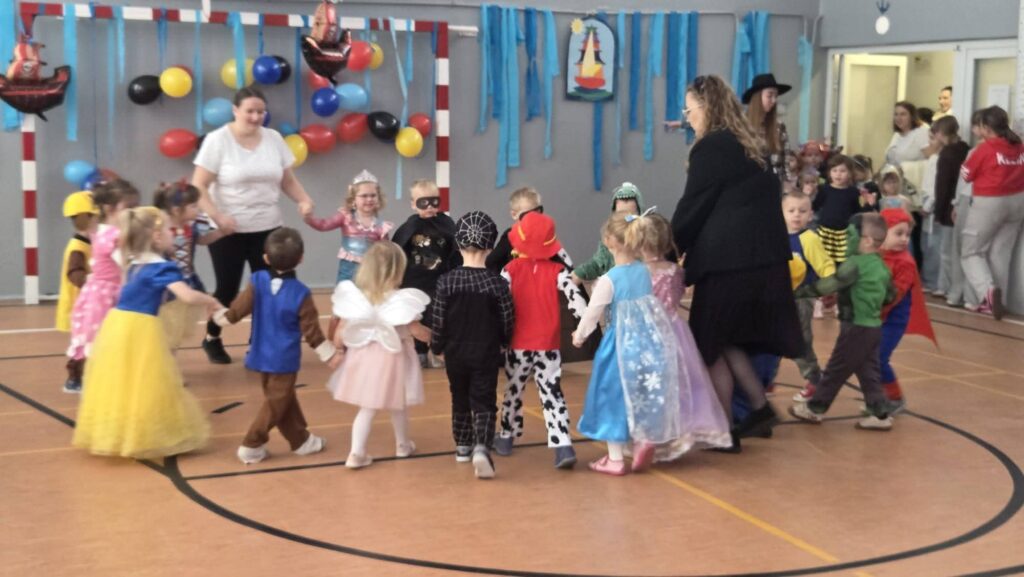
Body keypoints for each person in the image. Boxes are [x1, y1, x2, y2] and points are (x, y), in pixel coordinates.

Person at [670, 75, 802, 449]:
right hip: (762, 259)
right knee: (724, 338)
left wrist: (664, 251)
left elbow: (694, 205)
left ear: (706, 107)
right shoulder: (747, 142)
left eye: (689, 109)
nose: (687, 117)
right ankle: (758, 408)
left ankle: (725, 430)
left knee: (708, 344)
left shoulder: (712, 146)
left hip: (730, 262)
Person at [72, 207, 220, 458]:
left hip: (118, 324)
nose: (174, 235)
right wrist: (211, 300)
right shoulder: (162, 267)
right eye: (170, 231)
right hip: (141, 329)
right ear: (157, 237)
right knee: (148, 381)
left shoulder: (133, 262)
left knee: (125, 381)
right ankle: (144, 436)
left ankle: (120, 433)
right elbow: (186, 295)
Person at [192, 87, 316, 365]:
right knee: (227, 288)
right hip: (228, 229)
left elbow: (287, 180)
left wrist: (303, 199)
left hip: (268, 228)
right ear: (235, 111)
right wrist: (217, 216)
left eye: (261, 111)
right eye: (250, 111)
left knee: (272, 287)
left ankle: (259, 341)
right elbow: (198, 185)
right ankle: (212, 337)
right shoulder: (218, 140)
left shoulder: (273, 139)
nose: (256, 117)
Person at [213, 227, 338, 465]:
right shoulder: (300, 293)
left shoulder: (257, 280)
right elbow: (311, 331)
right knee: (276, 402)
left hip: (260, 355)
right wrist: (329, 354)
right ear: (301, 259)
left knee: (283, 398)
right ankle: (252, 443)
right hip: (284, 359)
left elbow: (238, 310)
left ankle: (301, 440)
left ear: (266, 258)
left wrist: (221, 317)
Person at [573, 213, 684, 475]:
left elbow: (593, 313)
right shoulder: (644, 272)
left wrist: (579, 335)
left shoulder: (609, 280)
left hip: (619, 346)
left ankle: (614, 459)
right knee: (639, 394)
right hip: (646, 344)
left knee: (611, 397)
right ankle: (642, 440)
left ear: (609, 241)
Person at [327, 242, 431, 470]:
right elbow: (418, 332)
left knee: (367, 407)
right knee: (398, 404)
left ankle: (359, 452)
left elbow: (341, 331)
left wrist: (339, 350)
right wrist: (434, 338)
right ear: (398, 270)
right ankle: (400, 445)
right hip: (393, 360)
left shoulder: (358, 299)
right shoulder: (401, 301)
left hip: (364, 359)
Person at [496, 211, 587, 469]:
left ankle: (506, 436)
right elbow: (576, 298)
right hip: (548, 345)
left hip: (518, 344)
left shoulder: (510, 270)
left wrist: (496, 333)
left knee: (513, 391)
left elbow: (498, 302)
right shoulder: (558, 271)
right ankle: (562, 444)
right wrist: (583, 326)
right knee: (552, 393)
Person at [789, 213, 896, 431]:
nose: (846, 240)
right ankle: (880, 413)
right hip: (873, 327)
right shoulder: (881, 266)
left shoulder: (854, 264)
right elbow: (890, 296)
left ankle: (816, 408)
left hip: (855, 328)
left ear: (867, 240)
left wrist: (798, 293)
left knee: (836, 369)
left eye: (850, 235)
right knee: (869, 371)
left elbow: (829, 284)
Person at [639, 212, 732, 457]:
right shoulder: (675, 271)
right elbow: (678, 293)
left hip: (649, 333)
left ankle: (654, 434)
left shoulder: (639, 273)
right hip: (675, 332)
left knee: (652, 383)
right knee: (683, 382)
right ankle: (680, 429)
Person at [431, 211, 514, 479]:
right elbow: (507, 318)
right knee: (484, 400)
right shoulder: (497, 283)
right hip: (486, 352)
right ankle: (482, 446)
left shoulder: (446, 282)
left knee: (459, 397)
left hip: (455, 352)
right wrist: (504, 342)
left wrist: (436, 347)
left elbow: (438, 319)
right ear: (490, 246)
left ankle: (462, 446)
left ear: (458, 244)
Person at [64, 180, 139, 393]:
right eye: (129, 207)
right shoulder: (111, 235)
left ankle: (105, 376)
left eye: (135, 207)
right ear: (109, 208)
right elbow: (125, 263)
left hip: (107, 291)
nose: (133, 213)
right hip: (104, 295)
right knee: (98, 336)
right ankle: (84, 377)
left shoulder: (105, 231)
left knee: (108, 336)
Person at [959, 105, 1024, 320]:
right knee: (1000, 253)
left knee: (970, 252)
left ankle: (986, 294)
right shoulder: (1019, 146)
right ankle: (998, 301)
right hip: (1018, 201)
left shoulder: (985, 149)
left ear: (986, 127)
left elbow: (966, 174)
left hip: (990, 201)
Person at [391, 179, 460, 367]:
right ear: (413, 204)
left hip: (439, 280)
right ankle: (420, 351)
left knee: (439, 317)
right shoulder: (409, 227)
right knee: (417, 316)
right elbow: (397, 250)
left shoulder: (446, 224)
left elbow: (456, 250)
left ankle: (437, 350)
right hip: (414, 281)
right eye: (423, 202)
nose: (429, 206)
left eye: (434, 201)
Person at [877, 208, 937, 414]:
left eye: (907, 234)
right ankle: (877, 397)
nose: (904, 239)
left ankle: (895, 398)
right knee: (868, 359)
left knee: (878, 358)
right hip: (876, 318)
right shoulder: (875, 256)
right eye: (898, 233)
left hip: (892, 321)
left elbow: (894, 295)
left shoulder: (905, 262)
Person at [153, 181, 225, 350]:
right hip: (167, 284)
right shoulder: (161, 227)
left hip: (187, 279)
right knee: (165, 327)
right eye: (193, 206)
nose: (197, 209)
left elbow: (202, 240)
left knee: (177, 330)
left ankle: (171, 357)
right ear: (176, 210)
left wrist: (221, 232)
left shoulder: (195, 224)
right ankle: (163, 357)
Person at [302, 169, 393, 283]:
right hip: (348, 269)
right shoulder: (346, 217)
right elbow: (324, 225)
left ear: (378, 198)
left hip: (371, 269)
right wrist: (309, 218)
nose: (369, 199)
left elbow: (385, 251)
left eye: (373, 195)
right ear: (353, 199)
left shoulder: (381, 226)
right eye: (364, 196)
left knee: (368, 293)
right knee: (346, 291)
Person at [571, 183, 644, 285]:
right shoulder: (610, 238)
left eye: (630, 216)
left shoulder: (646, 240)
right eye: (620, 215)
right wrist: (580, 273)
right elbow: (598, 263)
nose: (625, 221)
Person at [931, 116, 971, 300]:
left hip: (948, 207)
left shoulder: (946, 154)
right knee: (959, 250)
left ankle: (946, 287)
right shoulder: (966, 149)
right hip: (964, 203)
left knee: (946, 250)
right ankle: (958, 288)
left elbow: (943, 185)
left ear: (941, 133)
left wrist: (938, 211)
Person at [814, 154, 872, 263]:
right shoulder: (824, 189)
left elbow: (858, 213)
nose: (838, 174)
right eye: (834, 170)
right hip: (825, 233)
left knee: (842, 261)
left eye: (842, 171)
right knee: (823, 260)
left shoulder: (853, 192)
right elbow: (814, 206)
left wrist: (868, 205)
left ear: (850, 173)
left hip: (843, 235)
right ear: (829, 172)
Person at [56, 191, 98, 334]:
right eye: (96, 217)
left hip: (87, 305)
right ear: (85, 219)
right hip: (78, 307)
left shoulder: (88, 243)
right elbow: (75, 274)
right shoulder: (77, 248)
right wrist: (95, 281)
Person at [742, 73, 792, 178]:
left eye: (776, 96)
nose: (774, 100)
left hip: (774, 182)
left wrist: (787, 182)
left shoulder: (779, 127)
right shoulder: (741, 126)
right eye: (769, 96)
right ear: (757, 97)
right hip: (748, 181)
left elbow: (785, 163)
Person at [886, 101, 933, 165]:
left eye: (903, 114)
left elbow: (931, 160)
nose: (898, 118)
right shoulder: (897, 134)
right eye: (896, 114)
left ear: (912, 116)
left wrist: (908, 168)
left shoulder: (921, 131)